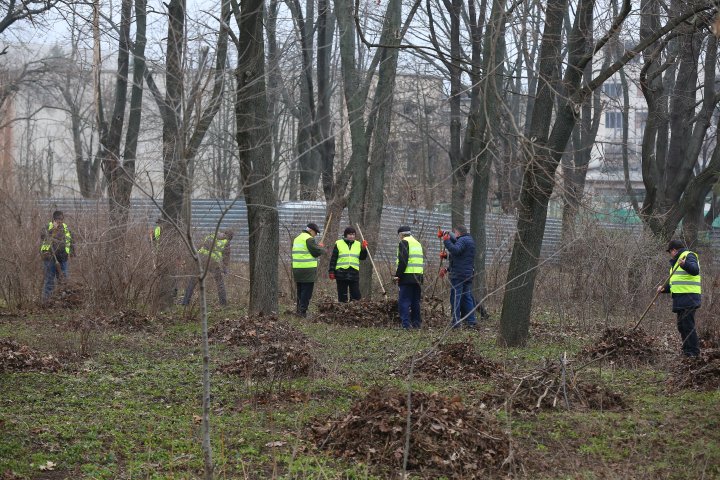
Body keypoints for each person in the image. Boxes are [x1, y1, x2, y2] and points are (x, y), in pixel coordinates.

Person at [657, 239, 701, 357]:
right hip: (681, 299)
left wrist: (684, 264)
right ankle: (687, 351)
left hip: (689, 298)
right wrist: (664, 288)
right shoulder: (676, 263)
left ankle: (693, 353)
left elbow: (695, 270)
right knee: (682, 326)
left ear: (674, 250)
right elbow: (676, 284)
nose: (670, 254)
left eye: (670, 252)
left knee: (688, 326)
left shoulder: (688, 256)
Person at [182, 230, 234, 306]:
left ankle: (185, 302)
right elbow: (226, 257)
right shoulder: (226, 242)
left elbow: (201, 246)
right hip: (212, 262)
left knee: (193, 280)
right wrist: (225, 268)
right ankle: (223, 304)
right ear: (230, 237)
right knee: (220, 283)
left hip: (200, 259)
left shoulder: (212, 235)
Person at [441, 225, 477, 329]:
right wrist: (446, 257)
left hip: (459, 275)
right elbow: (461, 257)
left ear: (458, 233)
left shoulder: (462, 240)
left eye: (455, 233)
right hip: (468, 274)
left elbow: (456, 250)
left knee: (455, 297)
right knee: (467, 297)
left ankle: (456, 322)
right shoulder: (470, 240)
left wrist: (446, 241)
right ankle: (471, 321)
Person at [292, 223, 325, 317]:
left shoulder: (297, 238)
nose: (315, 235)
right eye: (315, 232)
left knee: (300, 290)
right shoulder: (309, 239)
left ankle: (299, 311)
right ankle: (303, 312)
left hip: (297, 268)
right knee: (306, 292)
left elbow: (306, 251)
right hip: (307, 270)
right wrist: (321, 248)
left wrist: (317, 246)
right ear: (310, 230)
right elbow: (316, 252)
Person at [394, 226, 424, 329]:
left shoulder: (404, 242)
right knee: (415, 301)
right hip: (418, 277)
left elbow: (403, 261)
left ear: (401, 234)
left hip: (407, 277)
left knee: (404, 301)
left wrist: (397, 275)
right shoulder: (417, 243)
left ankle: (405, 325)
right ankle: (416, 324)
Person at [40, 210, 74, 302]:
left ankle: (63, 300)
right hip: (49, 257)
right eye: (58, 219)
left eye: (61, 219)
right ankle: (46, 300)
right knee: (49, 279)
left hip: (63, 258)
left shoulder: (66, 228)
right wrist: (53, 230)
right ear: (54, 219)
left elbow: (71, 240)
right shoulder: (47, 227)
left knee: (64, 279)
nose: (60, 221)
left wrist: (72, 252)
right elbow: (43, 236)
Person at [328, 226, 369, 302]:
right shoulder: (339, 243)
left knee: (356, 297)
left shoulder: (358, 244)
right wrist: (331, 271)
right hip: (341, 273)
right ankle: (343, 312)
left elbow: (362, 257)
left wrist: (364, 249)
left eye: (353, 234)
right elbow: (333, 259)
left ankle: (353, 312)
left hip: (354, 273)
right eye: (350, 234)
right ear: (345, 235)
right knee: (342, 296)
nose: (352, 236)